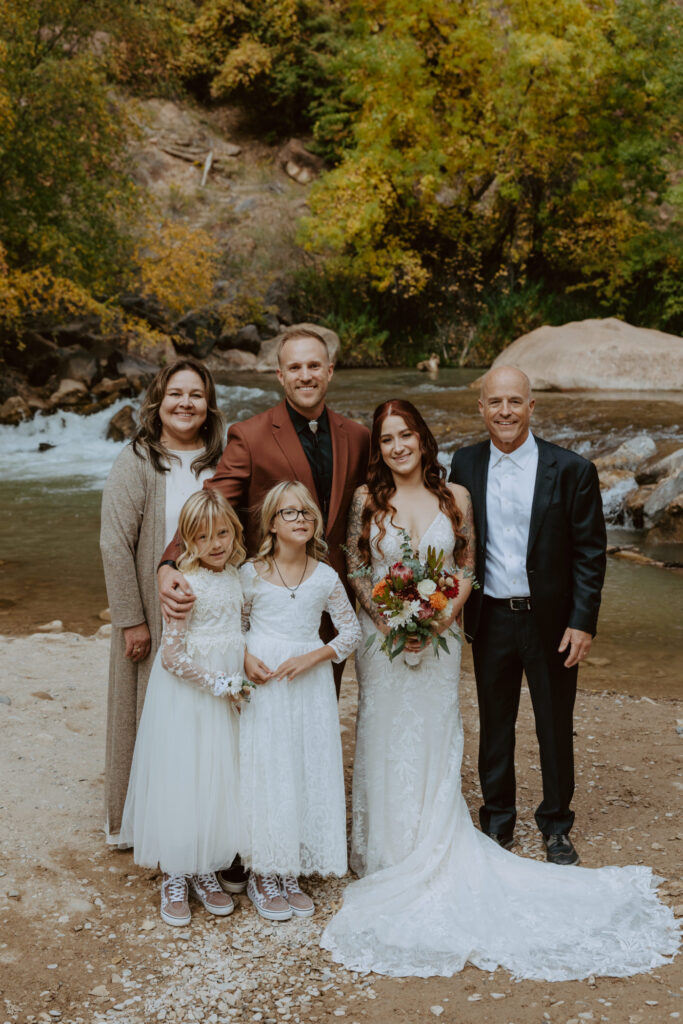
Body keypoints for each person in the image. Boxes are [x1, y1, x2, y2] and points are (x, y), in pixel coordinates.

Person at [320, 399, 680, 980]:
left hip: (439, 638)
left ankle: (512, 829)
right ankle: (387, 848)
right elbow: (358, 567)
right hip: (381, 640)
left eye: (405, 434)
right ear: (379, 448)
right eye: (386, 439)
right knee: (382, 730)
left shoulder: (454, 495)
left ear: (422, 437)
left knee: (443, 730)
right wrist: (387, 617)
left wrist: (438, 616)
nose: (397, 447)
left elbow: (465, 567)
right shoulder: (368, 499)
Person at [156, 327, 370, 698]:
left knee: (321, 702)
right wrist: (170, 563)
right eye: (296, 367)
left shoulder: (358, 436)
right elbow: (212, 503)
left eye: (314, 366)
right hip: (269, 602)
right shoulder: (250, 435)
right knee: (264, 709)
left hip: (329, 593)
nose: (306, 375)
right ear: (280, 375)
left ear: (330, 371)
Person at [449, 365, 605, 866]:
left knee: (554, 725)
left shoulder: (573, 469)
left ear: (531, 407)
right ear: (481, 409)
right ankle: (497, 822)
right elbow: (456, 541)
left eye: (515, 402)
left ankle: (556, 824)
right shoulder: (464, 464)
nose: (505, 412)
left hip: (553, 622)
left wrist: (582, 622)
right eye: (495, 402)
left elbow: (590, 553)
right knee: (496, 724)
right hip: (490, 617)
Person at [100, 357, 224, 846]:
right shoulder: (137, 461)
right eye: (176, 394)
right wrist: (132, 620)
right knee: (149, 715)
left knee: (206, 716)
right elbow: (114, 543)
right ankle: (139, 823)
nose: (186, 403)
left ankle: (202, 822)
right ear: (159, 400)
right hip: (155, 613)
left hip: (212, 616)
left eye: (196, 395)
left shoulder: (222, 460)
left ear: (209, 405)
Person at [120, 490, 248, 927]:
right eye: (204, 536)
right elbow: (172, 658)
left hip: (227, 697)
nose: (217, 543)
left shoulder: (237, 576)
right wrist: (220, 684)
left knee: (219, 777)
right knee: (186, 778)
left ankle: (206, 867)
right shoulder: (184, 582)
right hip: (191, 697)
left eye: (223, 533)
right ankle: (176, 872)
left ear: (235, 530)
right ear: (188, 541)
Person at [239, 481, 361, 921]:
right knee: (267, 768)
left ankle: (289, 868)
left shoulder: (326, 576)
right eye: (289, 513)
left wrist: (315, 656)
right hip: (264, 680)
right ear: (272, 523)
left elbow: (351, 632)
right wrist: (245, 656)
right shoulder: (250, 573)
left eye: (307, 513)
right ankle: (261, 872)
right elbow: (233, 627)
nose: (301, 520)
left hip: (307, 683)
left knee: (301, 766)